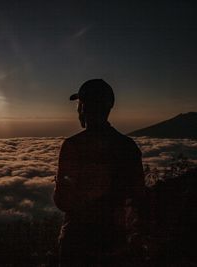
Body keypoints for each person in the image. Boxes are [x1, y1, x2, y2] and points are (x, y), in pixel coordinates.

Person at [53, 79, 147, 266]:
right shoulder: (128, 147)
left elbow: (64, 201)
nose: (78, 110)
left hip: (78, 244)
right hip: (116, 242)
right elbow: (139, 197)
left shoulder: (74, 146)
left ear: (85, 108)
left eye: (79, 105)